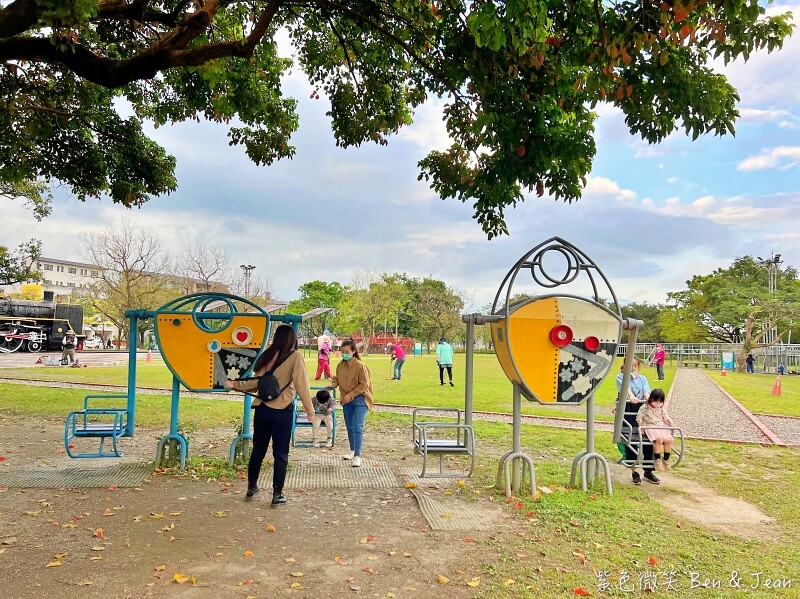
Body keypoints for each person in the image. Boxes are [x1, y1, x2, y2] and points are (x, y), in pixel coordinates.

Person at [224, 324, 314, 505]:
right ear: (293, 339)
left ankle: (251, 486)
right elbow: (302, 384)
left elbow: (256, 382)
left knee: (258, 449)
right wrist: (309, 410)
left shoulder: (267, 354)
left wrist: (235, 385)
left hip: (262, 408)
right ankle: (277, 494)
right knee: (280, 453)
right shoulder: (295, 356)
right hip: (282, 410)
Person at [615, 357, 659, 485]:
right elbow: (625, 388)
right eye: (630, 366)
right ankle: (634, 471)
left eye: (634, 366)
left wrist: (648, 398)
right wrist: (631, 396)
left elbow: (646, 391)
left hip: (642, 408)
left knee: (648, 438)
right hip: (629, 407)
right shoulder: (621, 377)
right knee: (630, 438)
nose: (632, 368)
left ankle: (648, 470)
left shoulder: (642, 378)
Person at [329, 339, 373, 467]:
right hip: (346, 400)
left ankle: (358, 455)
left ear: (353, 351)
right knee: (350, 427)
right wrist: (331, 385)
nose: (344, 354)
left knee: (358, 427)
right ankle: (353, 451)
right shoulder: (340, 366)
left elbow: (364, 384)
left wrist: (351, 395)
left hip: (360, 399)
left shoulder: (360, 366)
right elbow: (337, 379)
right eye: (342, 351)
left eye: (347, 352)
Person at [636, 388, 676, 472]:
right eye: (656, 401)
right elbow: (639, 417)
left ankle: (666, 459)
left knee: (668, 440)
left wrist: (670, 422)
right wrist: (641, 427)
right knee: (659, 439)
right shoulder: (645, 407)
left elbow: (665, 416)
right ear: (651, 399)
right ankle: (657, 459)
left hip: (660, 426)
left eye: (660, 402)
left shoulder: (661, 408)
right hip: (650, 427)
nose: (658, 404)